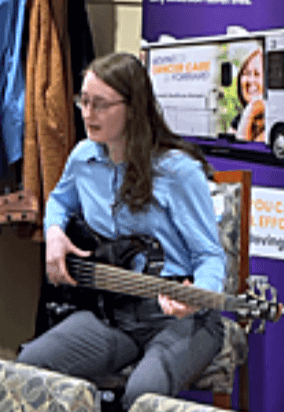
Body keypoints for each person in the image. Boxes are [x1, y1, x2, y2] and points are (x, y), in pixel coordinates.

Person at [16, 53, 226, 411]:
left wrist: (197, 296)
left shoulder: (178, 172)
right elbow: (60, 201)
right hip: (112, 312)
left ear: (133, 108)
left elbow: (210, 256)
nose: (87, 113)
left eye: (100, 104)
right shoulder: (83, 157)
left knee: (141, 397)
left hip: (178, 318)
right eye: (84, 101)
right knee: (30, 368)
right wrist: (54, 234)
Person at [230, 48, 265, 142]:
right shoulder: (237, 121)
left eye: (257, 74)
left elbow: (242, 142)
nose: (251, 80)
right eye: (247, 73)